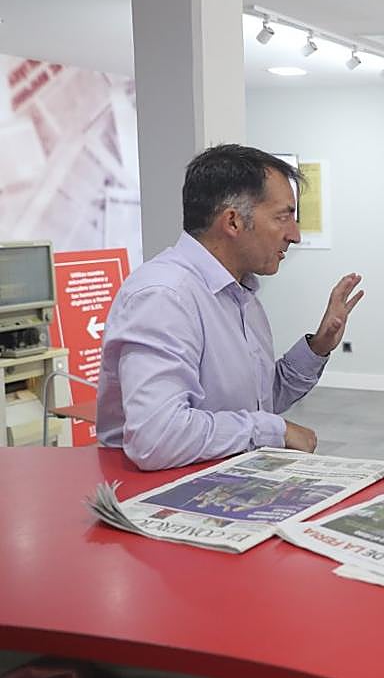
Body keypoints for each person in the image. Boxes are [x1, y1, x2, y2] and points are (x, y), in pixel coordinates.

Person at [96, 144, 364, 470]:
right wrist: (272, 431)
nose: (295, 236)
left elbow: (260, 400)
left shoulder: (241, 294)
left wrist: (318, 346)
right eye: (283, 217)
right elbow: (157, 437)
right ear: (233, 222)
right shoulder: (165, 296)